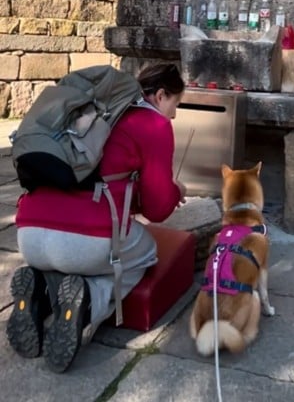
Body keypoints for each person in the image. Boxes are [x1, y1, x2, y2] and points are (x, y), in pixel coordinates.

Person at [6, 63, 187, 372]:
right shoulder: (153, 125)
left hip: (29, 235)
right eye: (175, 104)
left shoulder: (87, 114)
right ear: (159, 96)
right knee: (143, 254)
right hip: (86, 243)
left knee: (87, 252)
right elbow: (157, 210)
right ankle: (89, 299)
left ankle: (40, 286)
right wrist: (174, 190)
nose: (174, 114)